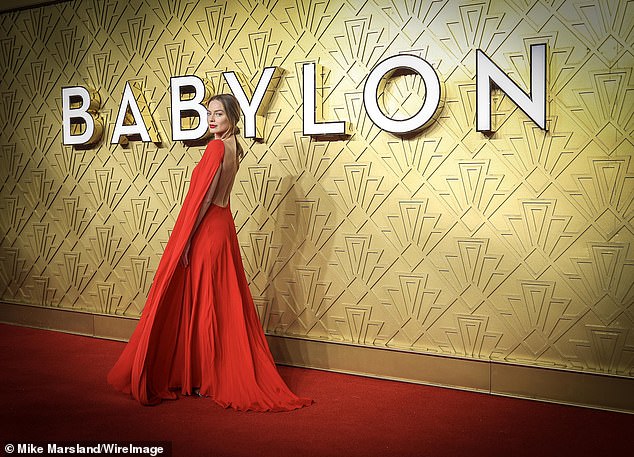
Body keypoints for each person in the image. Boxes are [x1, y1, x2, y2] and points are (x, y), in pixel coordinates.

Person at [107, 94, 313, 412]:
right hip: (224, 225)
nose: (212, 118)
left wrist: (186, 239)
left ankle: (207, 377)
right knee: (216, 299)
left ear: (232, 116)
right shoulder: (235, 148)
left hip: (207, 229)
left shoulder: (217, 147)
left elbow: (202, 199)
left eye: (219, 113)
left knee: (204, 301)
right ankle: (206, 373)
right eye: (209, 113)